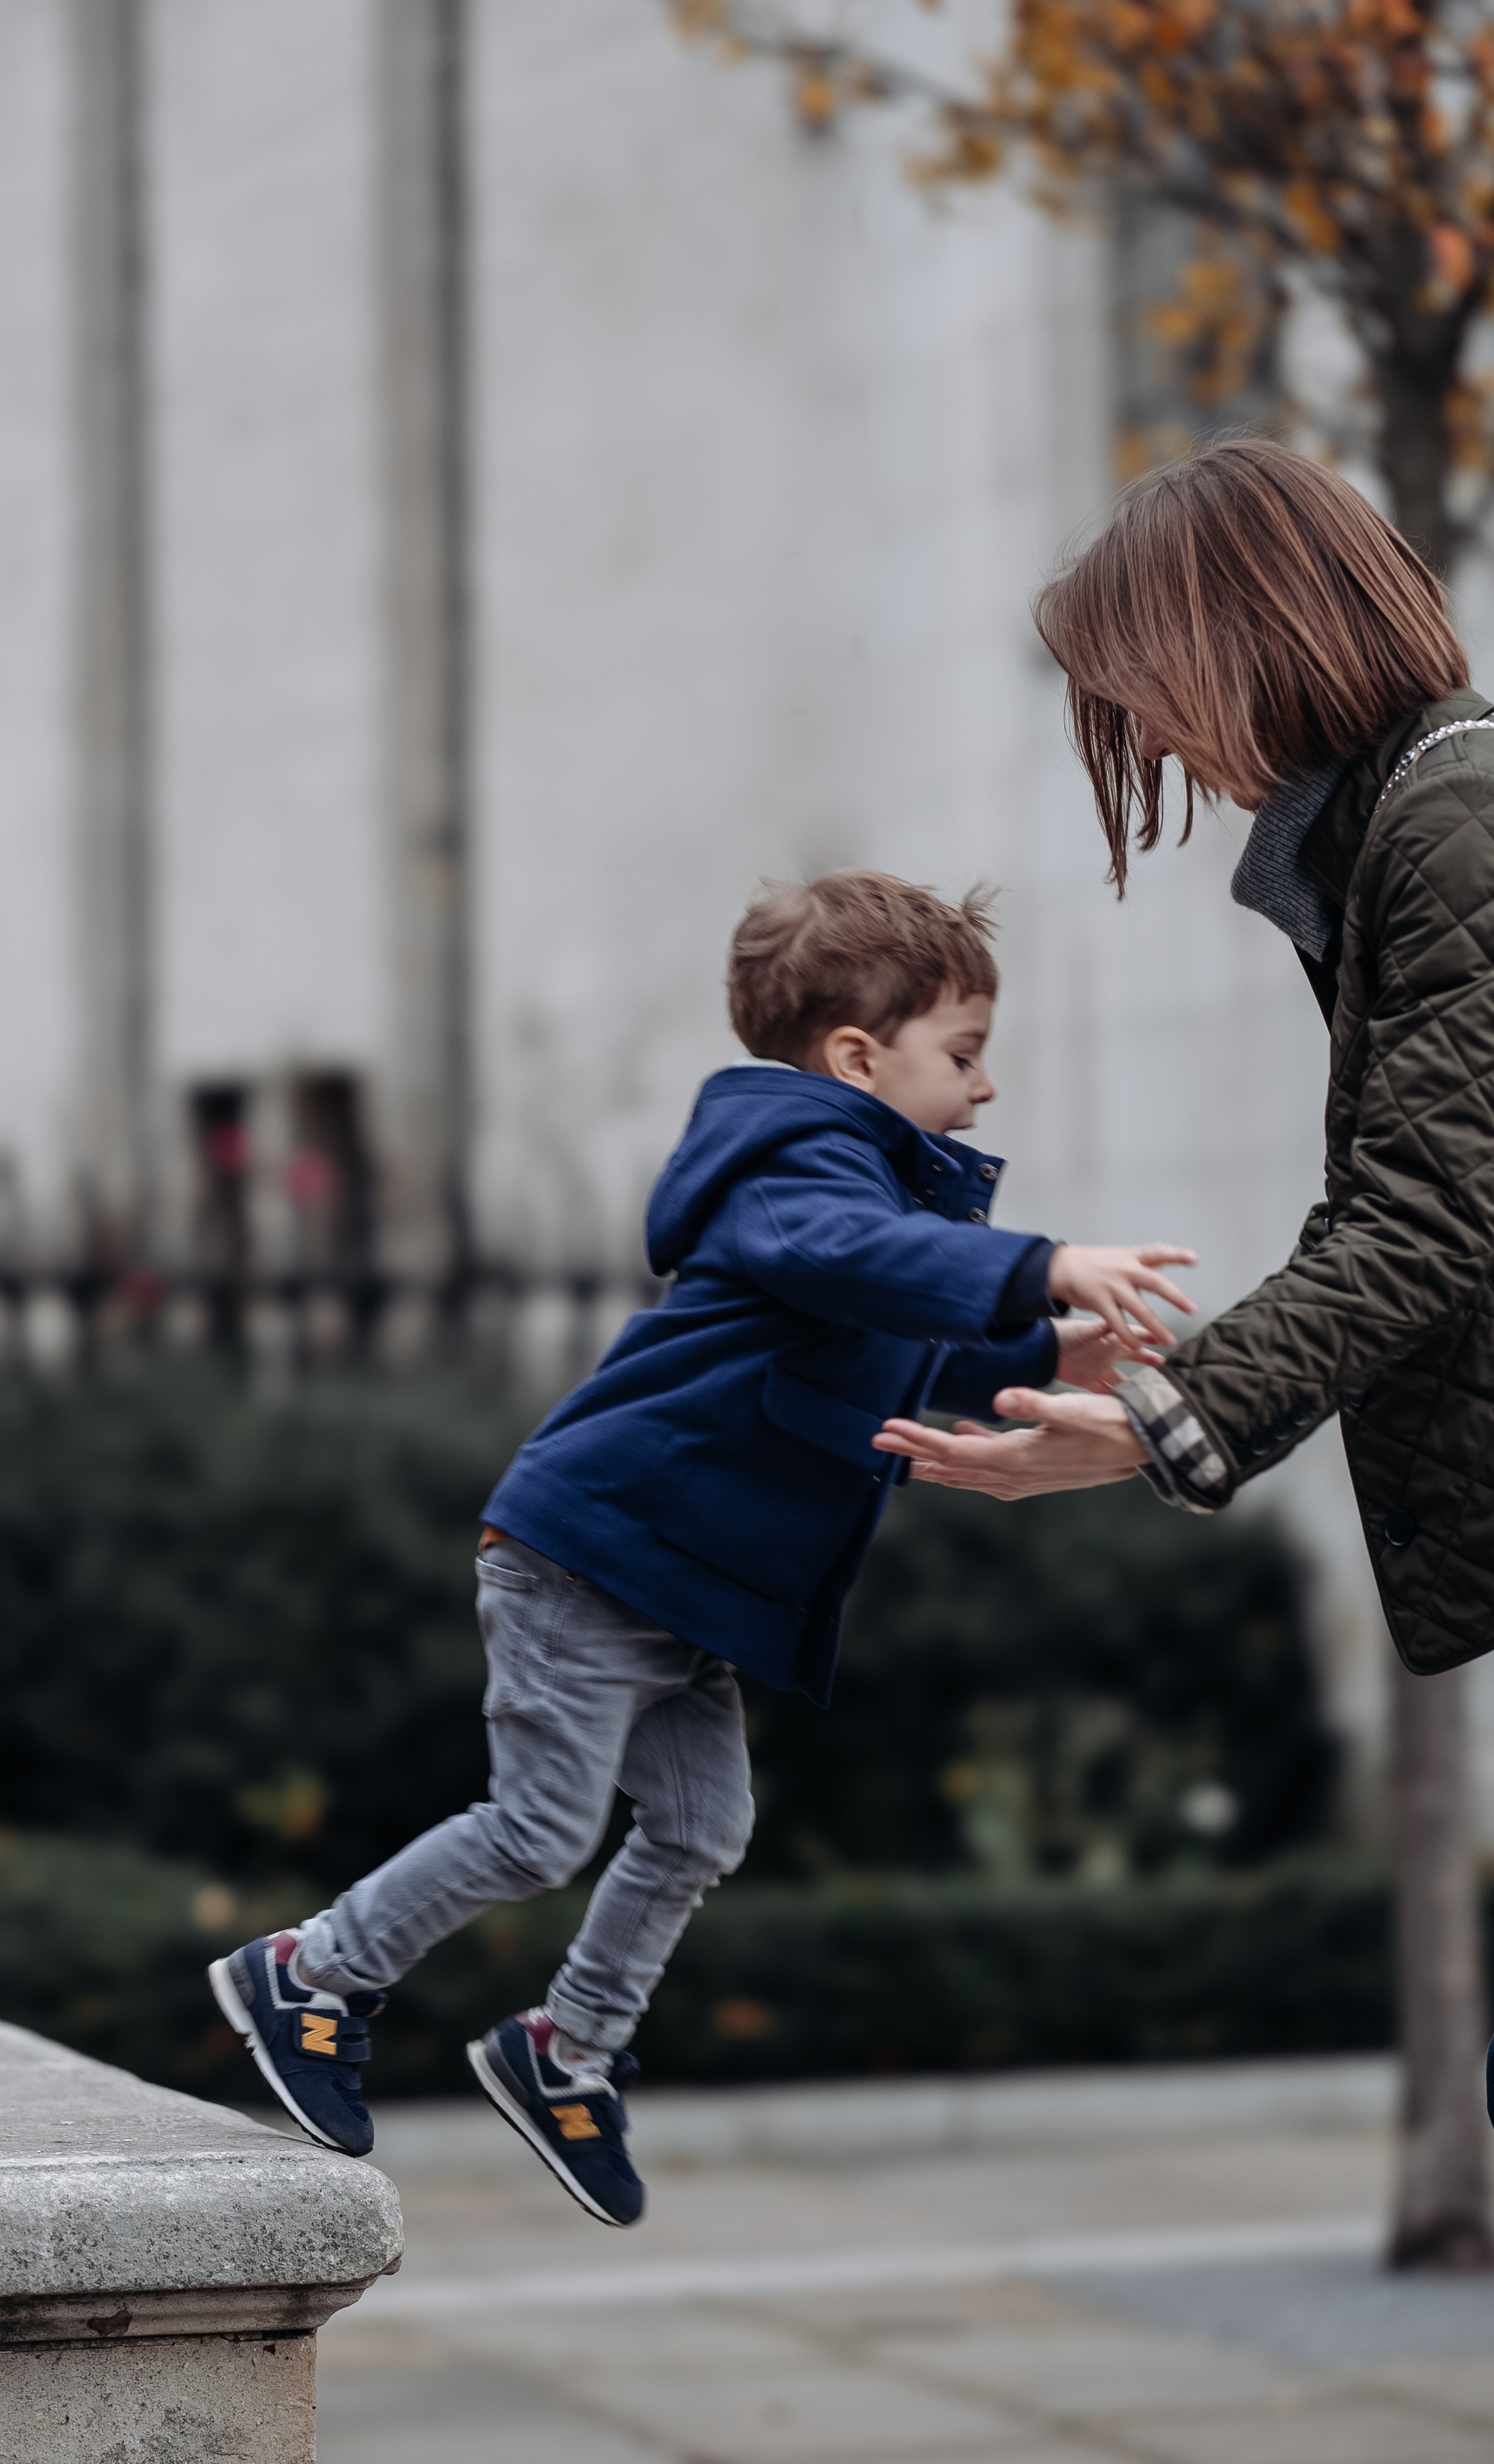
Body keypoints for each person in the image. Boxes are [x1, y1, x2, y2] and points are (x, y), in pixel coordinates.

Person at [210, 868, 1192, 2222]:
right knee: (541, 1824)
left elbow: (874, 1325)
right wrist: (1033, 1266)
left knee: (701, 1826)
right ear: (855, 1057)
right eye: (961, 1057)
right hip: (591, 1555)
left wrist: (1033, 1347)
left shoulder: (865, 1202)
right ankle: (311, 1972)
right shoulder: (794, 1168)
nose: (983, 1092)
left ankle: (565, 2049)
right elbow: (847, 1255)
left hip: (687, 1591)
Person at [873, 439, 1494, 1684]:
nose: (1145, 746)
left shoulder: (1450, 827)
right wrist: (1174, 1407)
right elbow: (1398, 1201)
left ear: (1243, 640)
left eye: (1142, 692)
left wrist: (1163, 1420)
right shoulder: (1411, 826)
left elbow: (1432, 1221)